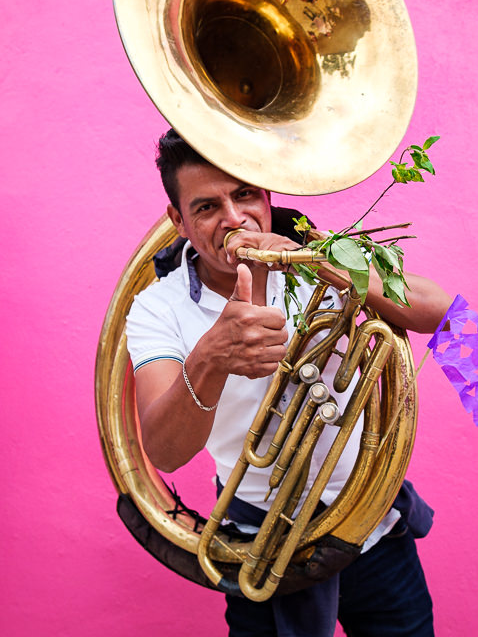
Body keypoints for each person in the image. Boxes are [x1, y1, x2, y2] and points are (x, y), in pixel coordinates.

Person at [126, 128, 452, 637]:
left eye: (244, 195)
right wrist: (211, 357)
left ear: (267, 195)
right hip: (262, 541)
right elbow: (164, 452)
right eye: (207, 207)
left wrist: (324, 263)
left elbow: (438, 310)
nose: (235, 219)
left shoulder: (322, 255)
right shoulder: (155, 308)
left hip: (374, 526)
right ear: (179, 222)